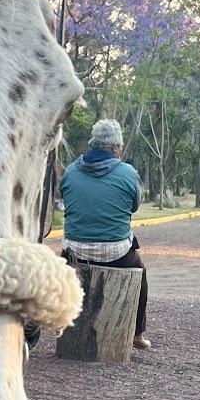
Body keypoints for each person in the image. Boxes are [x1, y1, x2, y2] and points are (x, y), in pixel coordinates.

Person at [60, 118, 151, 350]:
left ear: (93, 145)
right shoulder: (127, 172)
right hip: (117, 254)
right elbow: (134, 206)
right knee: (141, 273)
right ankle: (137, 334)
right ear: (115, 148)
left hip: (74, 252)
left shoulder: (70, 171)